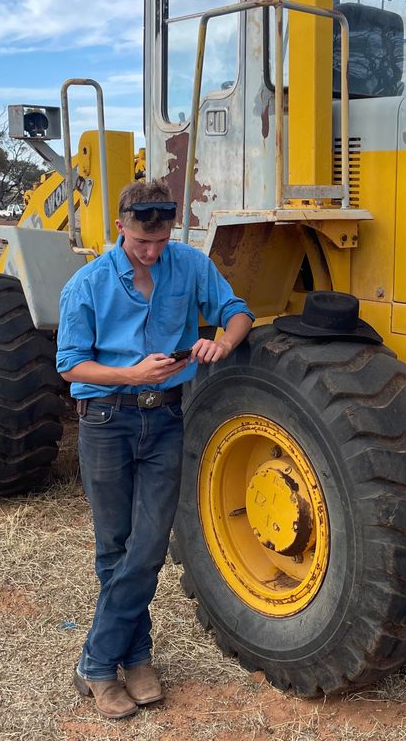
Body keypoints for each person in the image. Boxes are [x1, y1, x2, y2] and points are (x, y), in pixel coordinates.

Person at [56, 178, 254, 719]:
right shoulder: (87, 284)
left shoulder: (188, 264)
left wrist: (223, 341)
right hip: (105, 421)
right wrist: (131, 373)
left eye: (161, 241)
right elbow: (70, 365)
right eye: (142, 242)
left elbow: (237, 310)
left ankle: (95, 662)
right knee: (115, 547)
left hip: (166, 419)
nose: (152, 252)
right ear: (120, 226)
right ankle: (135, 656)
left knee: (147, 546)